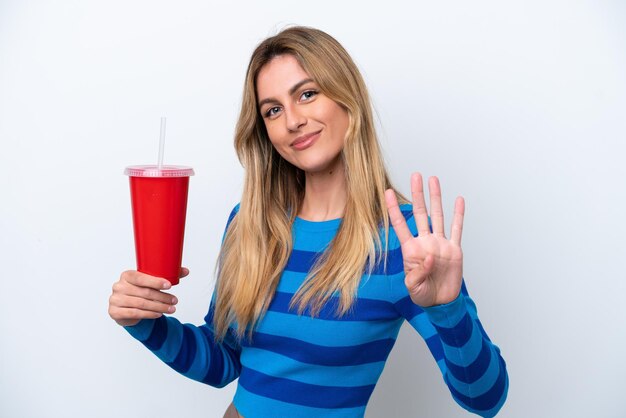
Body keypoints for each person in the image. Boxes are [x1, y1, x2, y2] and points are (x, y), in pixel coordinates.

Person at [108, 26, 509, 418]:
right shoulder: (249, 224)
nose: (292, 120)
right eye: (273, 110)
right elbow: (222, 362)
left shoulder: (403, 240)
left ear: (347, 98)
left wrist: (448, 309)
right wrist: (145, 322)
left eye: (307, 94)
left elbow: (485, 400)